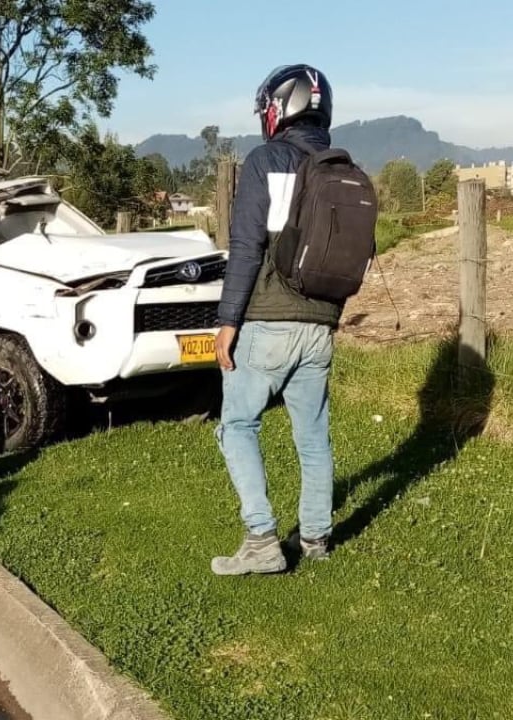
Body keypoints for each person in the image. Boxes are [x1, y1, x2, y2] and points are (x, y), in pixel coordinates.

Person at [211, 64, 343, 575]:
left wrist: (228, 321)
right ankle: (316, 539)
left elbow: (245, 247)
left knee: (237, 424)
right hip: (321, 324)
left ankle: (262, 539)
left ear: (276, 108)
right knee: (312, 435)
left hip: (268, 320)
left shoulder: (267, 159)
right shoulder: (338, 165)